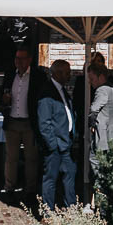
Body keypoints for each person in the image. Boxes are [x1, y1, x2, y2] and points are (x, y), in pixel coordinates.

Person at [0, 49, 51, 203]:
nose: (18, 62)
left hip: (30, 123)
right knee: (11, 158)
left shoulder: (38, 76)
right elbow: (1, 95)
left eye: (22, 59)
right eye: (16, 58)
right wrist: (4, 99)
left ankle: (30, 190)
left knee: (31, 158)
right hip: (12, 121)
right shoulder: (10, 74)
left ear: (29, 60)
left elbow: (42, 98)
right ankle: (9, 188)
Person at [37, 59, 78, 216]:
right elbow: (44, 123)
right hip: (55, 145)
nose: (70, 75)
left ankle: (71, 209)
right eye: (67, 72)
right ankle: (48, 212)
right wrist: (52, 144)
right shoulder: (47, 92)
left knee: (69, 175)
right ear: (58, 73)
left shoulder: (61, 90)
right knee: (50, 179)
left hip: (65, 143)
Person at [87, 61, 113, 178]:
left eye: (92, 79)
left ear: (101, 76)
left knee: (96, 163)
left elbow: (93, 109)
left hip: (103, 137)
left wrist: (91, 125)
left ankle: (101, 192)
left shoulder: (102, 90)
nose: (90, 82)